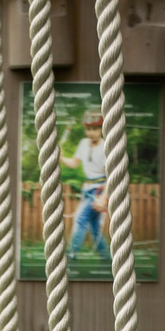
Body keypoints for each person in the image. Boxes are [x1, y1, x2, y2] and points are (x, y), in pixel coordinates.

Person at [63, 108, 111, 270]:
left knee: (80, 220)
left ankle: (71, 256)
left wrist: (104, 198)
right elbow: (74, 163)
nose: (91, 133)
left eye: (95, 129)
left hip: (99, 189)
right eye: (89, 129)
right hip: (87, 189)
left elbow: (111, 176)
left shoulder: (107, 147)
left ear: (102, 129)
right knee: (94, 228)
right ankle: (107, 261)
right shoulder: (83, 144)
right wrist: (60, 157)